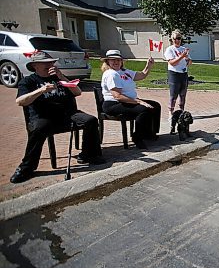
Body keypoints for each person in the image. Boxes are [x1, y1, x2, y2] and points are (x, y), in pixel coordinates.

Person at [10, 52, 104, 183]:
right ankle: (27, 167)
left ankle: (89, 154)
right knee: (39, 129)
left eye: (51, 62)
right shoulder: (28, 81)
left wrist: (61, 77)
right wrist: (41, 90)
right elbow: (20, 101)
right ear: (35, 65)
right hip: (43, 116)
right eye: (45, 63)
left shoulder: (58, 78)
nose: (50, 65)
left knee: (90, 120)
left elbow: (77, 92)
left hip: (67, 114)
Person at [100, 49, 161, 149]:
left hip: (128, 101)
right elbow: (117, 96)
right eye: (112, 60)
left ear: (121, 61)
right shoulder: (111, 74)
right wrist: (139, 101)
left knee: (155, 105)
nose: (116, 62)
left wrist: (149, 66)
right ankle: (137, 137)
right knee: (143, 109)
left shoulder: (125, 72)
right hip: (113, 104)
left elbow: (142, 75)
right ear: (107, 62)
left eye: (118, 60)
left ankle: (149, 133)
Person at [164, 30, 192, 120]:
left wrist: (187, 58)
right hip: (174, 74)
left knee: (183, 94)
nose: (178, 40)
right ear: (172, 39)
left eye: (179, 38)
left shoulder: (183, 49)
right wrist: (181, 57)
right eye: (176, 38)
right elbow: (172, 63)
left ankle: (181, 112)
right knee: (173, 95)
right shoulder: (170, 49)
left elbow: (190, 62)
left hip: (183, 73)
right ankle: (170, 113)